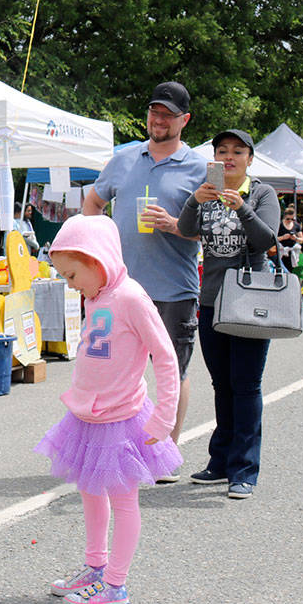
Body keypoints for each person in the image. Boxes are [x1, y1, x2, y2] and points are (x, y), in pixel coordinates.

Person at [34, 214, 181, 604]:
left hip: (122, 418)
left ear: (97, 260)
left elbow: (166, 358)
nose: (70, 284)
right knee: (89, 490)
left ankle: (116, 583)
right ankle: (96, 567)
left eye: (72, 274)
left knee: (123, 499)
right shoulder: (95, 296)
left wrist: (164, 417)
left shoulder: (131, 297)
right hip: (88, 416)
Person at [81, 81, 205, 476]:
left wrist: (176, 225)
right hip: (120, 290)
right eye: (155, 112)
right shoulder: (125, 159)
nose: (159, 120)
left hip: (174, 287)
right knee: (115, 371)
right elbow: (94, 202)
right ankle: (114, 449)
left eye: (168, 115)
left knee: (172, 369)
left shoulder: (200, 167)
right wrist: (93, 249)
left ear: (184, 121)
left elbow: (214, 227)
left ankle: (165, 453)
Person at [177, 130, 280, 499]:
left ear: (250, 159)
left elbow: (268, 240)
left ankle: (244, 470)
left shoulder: (262, 193)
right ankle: (220, 462)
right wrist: (193, 201)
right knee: (222, 385)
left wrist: (242, 207)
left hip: (251, 299)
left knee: (246, 384)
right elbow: (186, 230)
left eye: (238, 151)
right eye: (223, 152)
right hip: (211, 299)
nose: (230, 157)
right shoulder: (206, 192)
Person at [277, 205, 303, 271]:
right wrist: (283, 237)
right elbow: (274, 238)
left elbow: (301, 240)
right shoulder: (279, 224)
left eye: (292, 219)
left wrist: (295, 238)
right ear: (284, 217)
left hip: (293, 252)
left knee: (293, 270)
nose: (290, 221)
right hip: (281, 252)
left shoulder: (296, 225)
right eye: (288, 219)